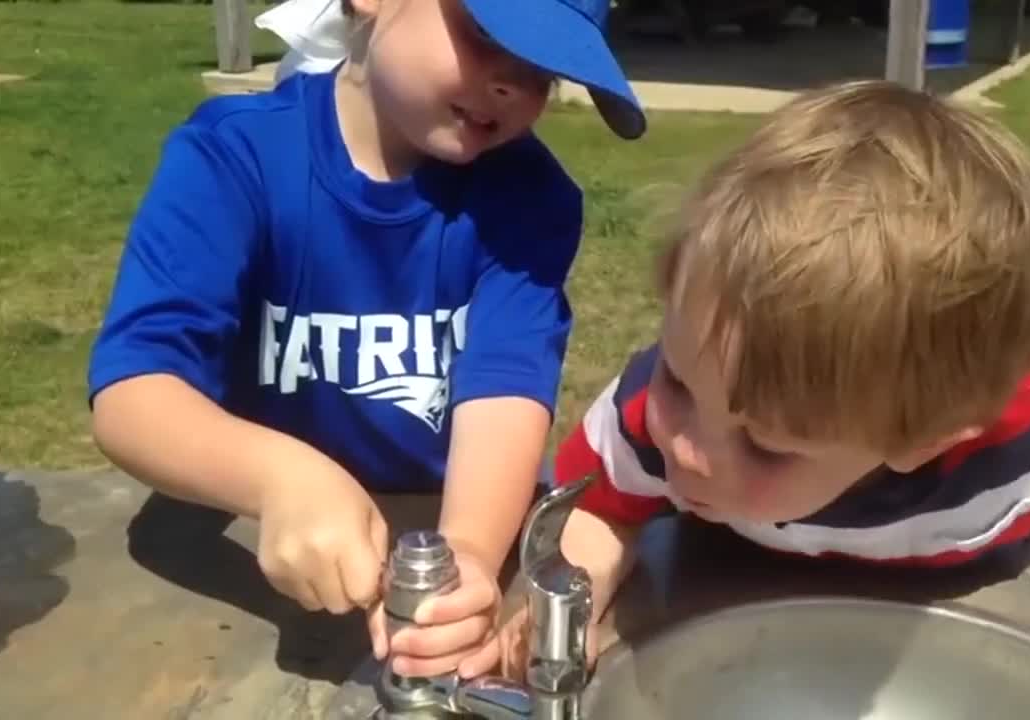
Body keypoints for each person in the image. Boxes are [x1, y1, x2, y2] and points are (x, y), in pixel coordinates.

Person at [499, 79, 1030, 674]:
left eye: (765, 445)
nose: (686, 449)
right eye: (680, 384)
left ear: (926, 437)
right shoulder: (655, 410)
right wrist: (571, 593)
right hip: (742, 603)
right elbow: (601, 508)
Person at [87, 0, 645, 682]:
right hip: (263, 530)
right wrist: (276, 478)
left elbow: (505, 390)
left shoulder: (532, 199)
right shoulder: (234, 157)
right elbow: (134, 394)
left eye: (541, 73)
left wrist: (467, 551)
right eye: (485, 36)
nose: (511, 83)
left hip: (440, 520)